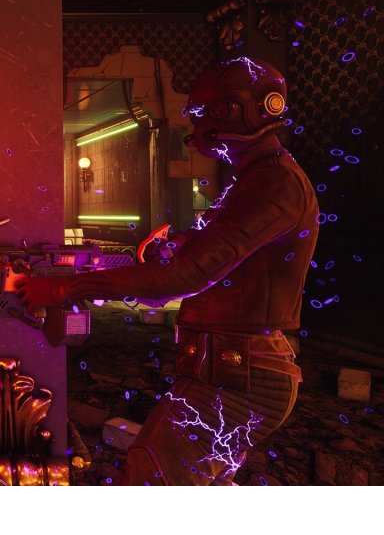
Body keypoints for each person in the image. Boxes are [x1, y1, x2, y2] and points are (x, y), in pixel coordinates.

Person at [17, 57, 318, 485]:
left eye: (206, 113)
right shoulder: (256, 181)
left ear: (238, 110)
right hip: (227, 368)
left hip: (240, 374)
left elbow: (188, 276)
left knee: (154, 473)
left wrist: (66, 288)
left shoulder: (274, 184)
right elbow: (209, 263)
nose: (197, 126)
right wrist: (181, 245)